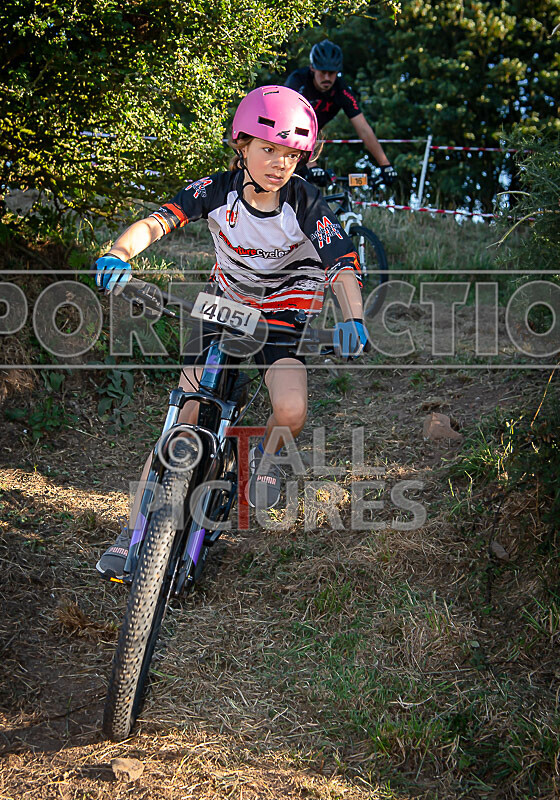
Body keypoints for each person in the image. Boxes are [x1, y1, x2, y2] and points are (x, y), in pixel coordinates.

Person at [94, 85, 368, 580]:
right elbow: (156, 224)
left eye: (291, 154)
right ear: (240, 145)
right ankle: (133, 530)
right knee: (184, 412)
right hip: (225, 305)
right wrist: (120, 253)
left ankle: (262, 458)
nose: (279, 163)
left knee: (291, 408)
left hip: (285, 316)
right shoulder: (215, 191)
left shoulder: (309, 205)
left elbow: (343, 267)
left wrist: (353, 317)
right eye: (268, 149)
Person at [285, 40, 398, 185]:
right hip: (287, 138)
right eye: (322, 72)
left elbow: (364, 129)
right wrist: (311, 165)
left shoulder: (341, 90)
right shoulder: (297, 82)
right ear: (312, 68)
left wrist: (385, 165)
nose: (327, 78)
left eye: (331, 73)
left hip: (307, 145)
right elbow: (291, 124)